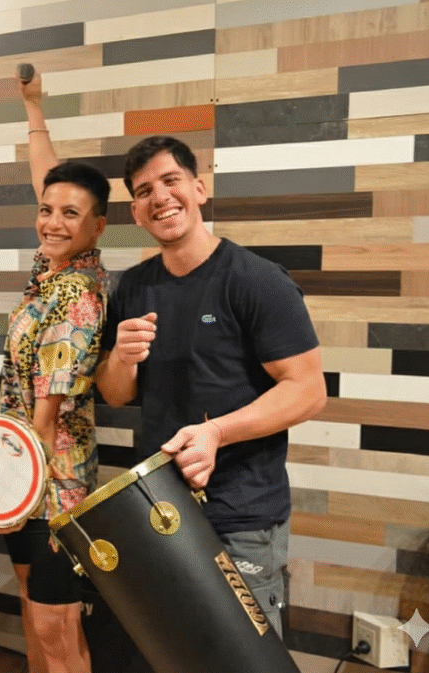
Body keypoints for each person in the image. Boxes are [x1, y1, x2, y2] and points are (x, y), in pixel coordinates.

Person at [93, 136, 328, 638]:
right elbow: (115, 394)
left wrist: (216, 432)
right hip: (162, 510)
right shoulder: (132, 287)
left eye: (171, 181)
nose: (160, 197)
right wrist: (122, 359)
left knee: (243, 656)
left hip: (242, 515)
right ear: (135, 212)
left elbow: (308, 390)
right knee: (176, 650)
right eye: (144, 191)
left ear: (199, 189)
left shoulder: (256, 280)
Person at [0, 69, 109, 673]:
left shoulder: (76, 293)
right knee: (35, 608)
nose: (52, 221)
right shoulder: (52, 266)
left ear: (97, 226)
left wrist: (18, 487)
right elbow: (52, 180)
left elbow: (49, 408)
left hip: (52, 488)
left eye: (70, 214)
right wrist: (33, 109)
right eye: (45, 211)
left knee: (56, 625)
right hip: (25, 477)